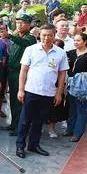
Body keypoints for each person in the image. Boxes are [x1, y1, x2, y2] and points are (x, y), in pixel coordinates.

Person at [16, 25, 68, 158]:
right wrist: (21, 90)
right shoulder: (31, 49)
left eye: (49, 35)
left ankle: (34, 145)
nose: (46, 38)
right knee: (25, 120)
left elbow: (62, 74)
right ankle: (20, 145)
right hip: (31, 91)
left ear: (54, 35)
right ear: (39, 35)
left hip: (48, 92)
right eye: (43, 35)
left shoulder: (60, 53)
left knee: (39, 121)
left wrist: (59, 92)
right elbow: (23, 70)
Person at [5, 14, 37, 137]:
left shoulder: (30, 38)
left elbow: (24, 43)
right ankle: (14, 124)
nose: (19, 25)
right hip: (11, 72)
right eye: (17, 23)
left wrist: (10, 36)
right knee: (12, 100)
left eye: (22, 23)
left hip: (21, 73)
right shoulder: (16, 37)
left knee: (19, 101)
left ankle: (20, 127)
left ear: (29, 25)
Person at [65, 33, 87, 142]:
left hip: (82, 85)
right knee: (71, 108)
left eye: (78, 40)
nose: (75, 42)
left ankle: (78, 133)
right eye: (74, 40)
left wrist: (80, 78)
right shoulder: (71, 53)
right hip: (71, 84)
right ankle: (70, 129)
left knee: (81, 109)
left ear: (85, 42)